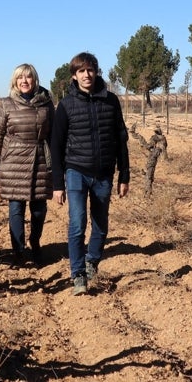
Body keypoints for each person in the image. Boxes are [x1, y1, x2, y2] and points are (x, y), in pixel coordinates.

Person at [50, 52, 130, 295]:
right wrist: (57, 184)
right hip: (76, 171)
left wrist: (124, 175)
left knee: (100, 224)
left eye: (90, 70)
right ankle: (78, 275)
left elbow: (121, 140)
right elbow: (56, 144)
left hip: (104, 173)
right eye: (81, 71)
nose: (86, 75)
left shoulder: (111, 101)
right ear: (74, 76)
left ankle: (92, 261)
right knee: (77, 224)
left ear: (96, 72)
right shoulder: (65, 105)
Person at [0, 63, 55, 266]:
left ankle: (35, 243)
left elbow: (53, 134)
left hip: (40, 160)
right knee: (16, 208)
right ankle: (18, 251)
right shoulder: (7, 104)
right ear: (15, 81)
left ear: (35, 80)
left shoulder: (46, 103)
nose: (24, 81)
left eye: (28, 77)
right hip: (13, 161)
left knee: (39, 209)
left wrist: (57, 164)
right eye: (20, 78)